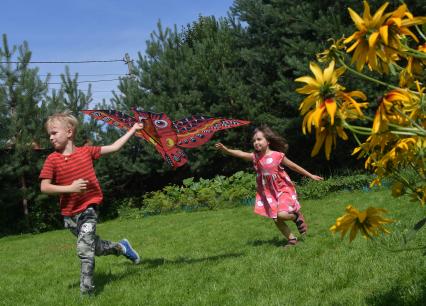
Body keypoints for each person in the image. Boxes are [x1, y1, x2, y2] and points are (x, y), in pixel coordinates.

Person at [39, 111, 143, 295]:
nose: (50, 137)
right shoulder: (52, 160)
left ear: (69, 132)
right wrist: (70, 188)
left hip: (88, 209)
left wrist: (133, 129)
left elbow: (114, 147)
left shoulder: (87, 152)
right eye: (49, 134)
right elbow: (45, 187)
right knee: (96, 248)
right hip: (69, 216)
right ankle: (121, 247)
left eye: (54, 132)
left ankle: (86, 292)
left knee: (84, 250)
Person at [215, 126, 323, 248]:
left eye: (259, 139)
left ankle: (296, 216)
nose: (256, 142)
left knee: (281, 215)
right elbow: (240, 153)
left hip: (283, 189)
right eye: (254, 141)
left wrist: (310, 175)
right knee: (275, 218)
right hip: (269, 192)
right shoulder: (255, 157)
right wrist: (226, 150)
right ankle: (292, 239)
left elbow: (294, 166)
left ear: (268, 141)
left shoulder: (278, 156)